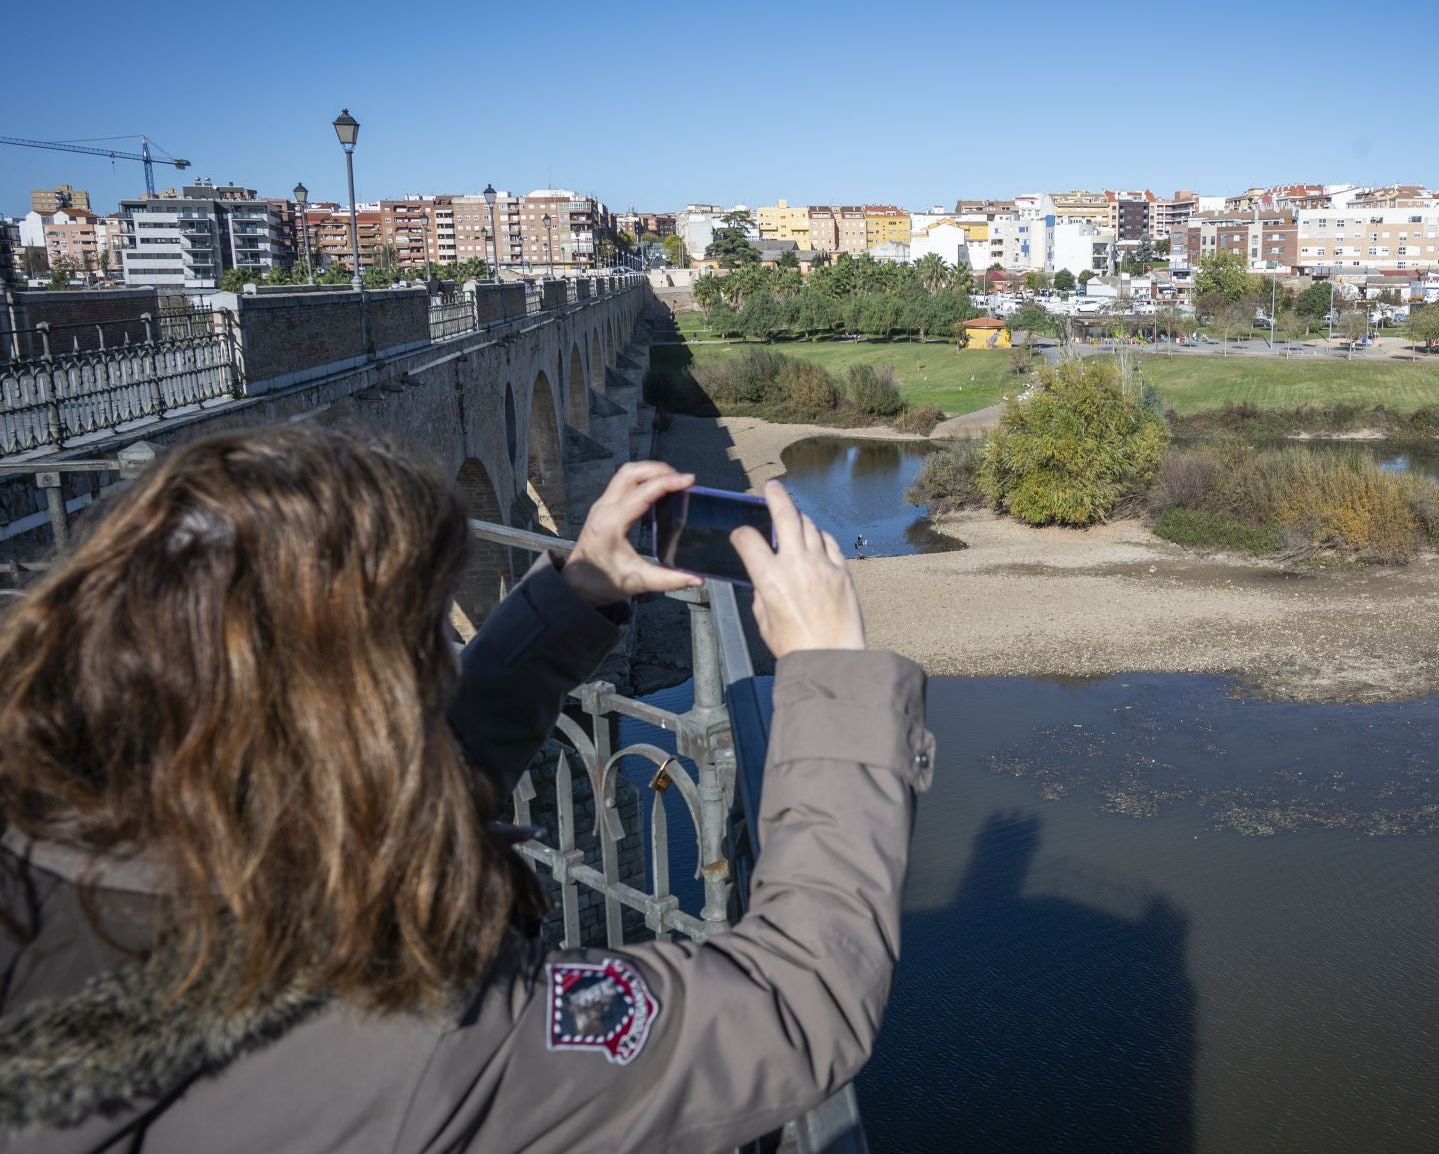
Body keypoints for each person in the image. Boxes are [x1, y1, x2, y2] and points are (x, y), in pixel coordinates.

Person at [0, 425, 934, 1152]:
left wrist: (577, 592)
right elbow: (794, 1003)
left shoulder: (58, 834)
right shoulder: (423, 1036)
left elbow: (382, 784)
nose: (441, 662)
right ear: (349, 719)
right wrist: (828, 674)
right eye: (418, 648)